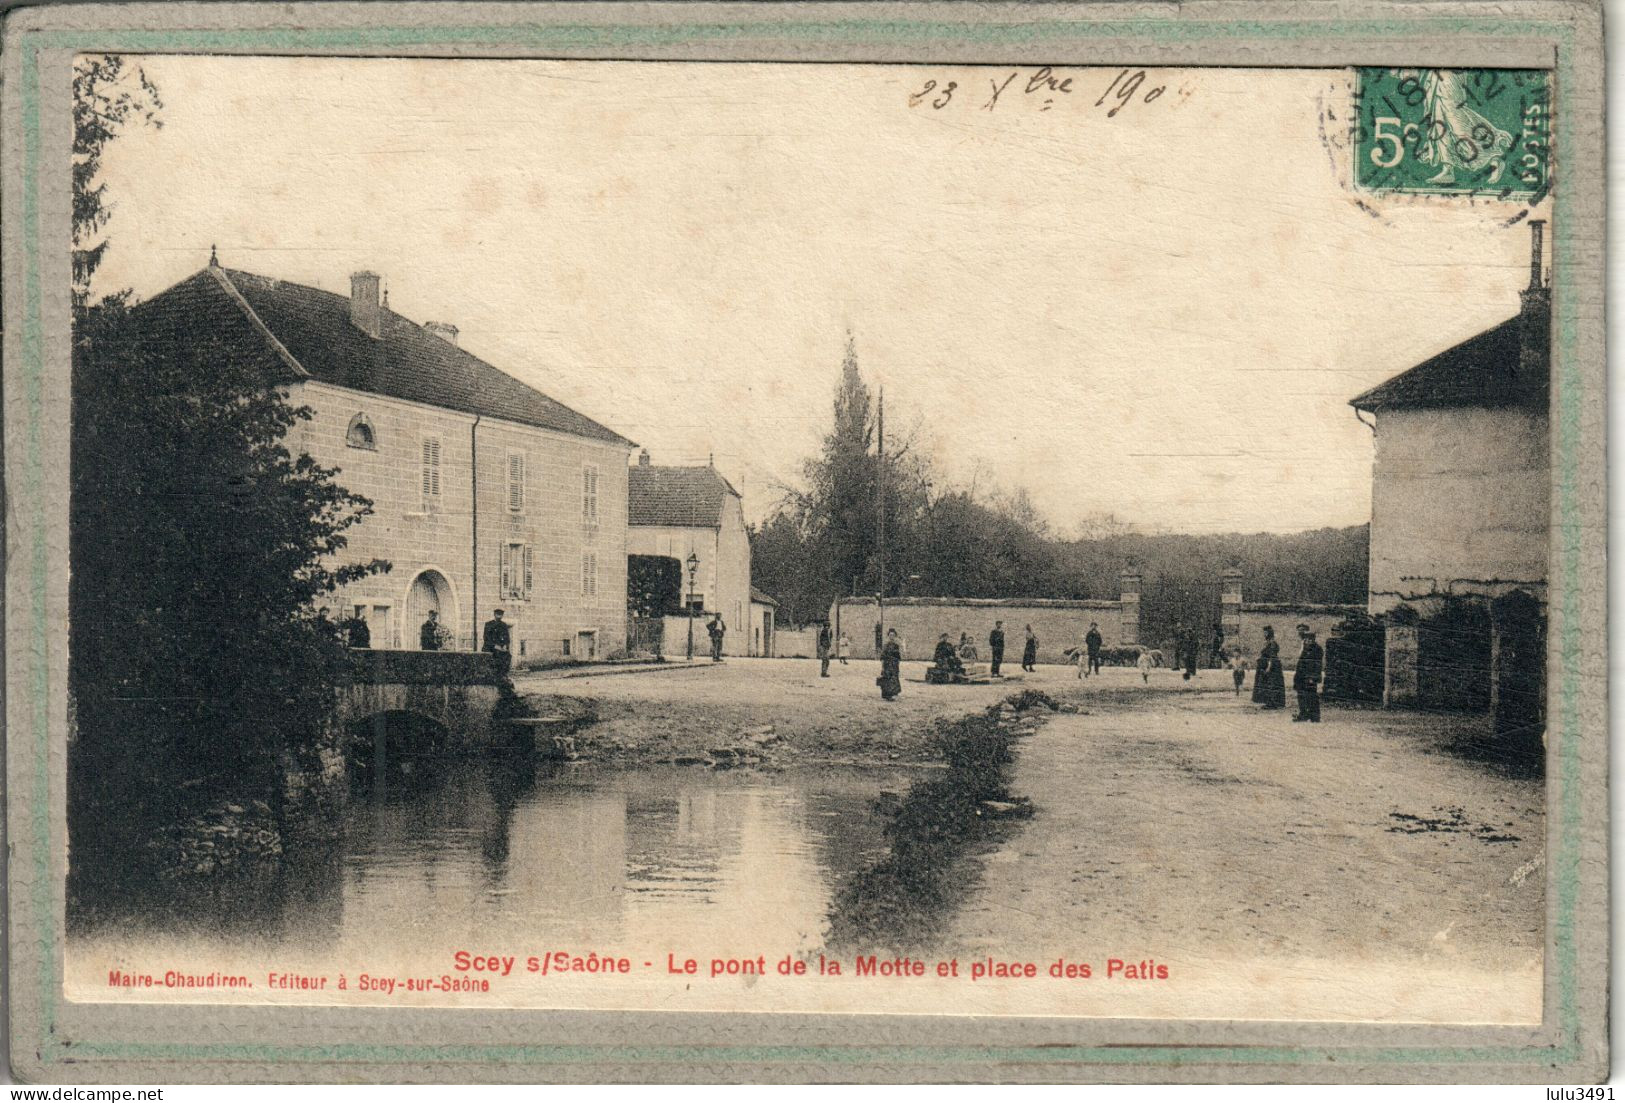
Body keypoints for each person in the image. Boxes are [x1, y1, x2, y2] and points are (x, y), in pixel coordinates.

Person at [1293, 624, 1324, 722]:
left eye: (1310, 640)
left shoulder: (1317, 650)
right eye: (1306, 640)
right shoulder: (1306, 649)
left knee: (1312, 696)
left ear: (1313, 640)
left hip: (1310, 677)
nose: (1308, 641)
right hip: (1301, 676)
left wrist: (1313, 677)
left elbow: (1317, 665)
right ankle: (1304, 714)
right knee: (1301, 695)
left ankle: (1315, 716)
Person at [1253, 625, 1286, 709]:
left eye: (1266, 633)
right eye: (1264, 633)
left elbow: (1272, 656)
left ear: (1270, 633)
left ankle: (1273, 703)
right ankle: (1268, 702)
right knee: (1265, 684)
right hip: (1265, 665)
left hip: (1272, 666)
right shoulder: (1268, 642)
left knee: (1271, 684)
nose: (1264, 634)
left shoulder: (1272, 643)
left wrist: (1269, 666)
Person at [482, 608, 512, 674]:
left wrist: (505, 645)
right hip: (490, 648)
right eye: (498, 614)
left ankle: (503, 674)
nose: (499, 616)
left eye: (501, 615)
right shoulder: (489, 624)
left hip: (500, 648)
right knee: (494, 657)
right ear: (494, 615)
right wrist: (495, 646)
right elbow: (486, 638)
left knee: (508, 655)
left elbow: (507, 638)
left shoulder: (504, 625)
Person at [878, 628, 903, 700]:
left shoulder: (896, 645)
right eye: (890, 635)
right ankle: (887, 694)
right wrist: (882, 665)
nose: (892, 636)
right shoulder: (886, 645)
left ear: (895, 636)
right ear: (888, 636)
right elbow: (882, 656)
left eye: (893, 635)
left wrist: (897, 663)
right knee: (886, 678)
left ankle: (893, 693)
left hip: (894, 664)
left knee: (894, 678)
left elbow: (898, 656)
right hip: (887, 664)